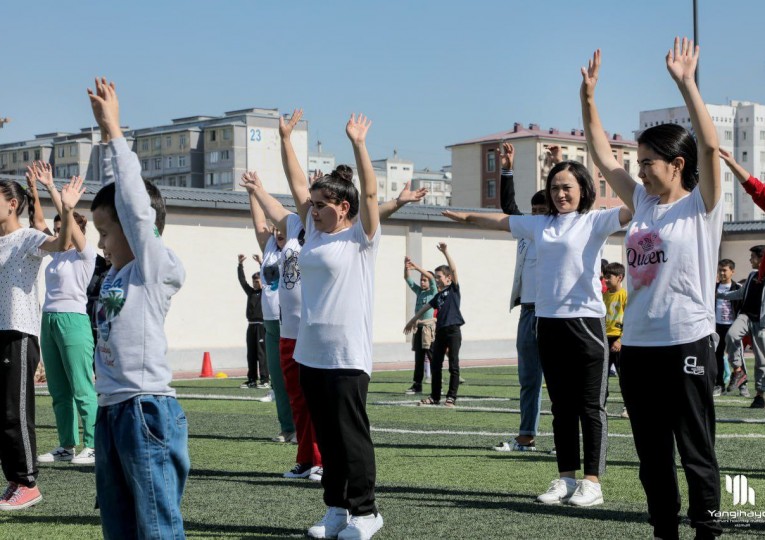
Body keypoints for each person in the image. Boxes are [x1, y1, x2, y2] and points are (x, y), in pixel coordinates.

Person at [580, 39, 723, 538]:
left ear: (676, 164)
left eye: (647, 162)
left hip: (686, 340)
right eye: (637, 163)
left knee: (696, 449)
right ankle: (665, 528)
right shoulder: (641, 203)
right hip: (638, 347)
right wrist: (589, 97)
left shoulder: (701, 206)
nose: (638, 170)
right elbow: (601, 155)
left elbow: (707, 146)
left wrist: (686, 83)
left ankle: (708, 529)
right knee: (651, 454)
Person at [444, 152, 630, 506]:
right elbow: (500, 221)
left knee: (590, 407)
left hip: (586, 324)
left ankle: (593, 482)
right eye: (555, 188)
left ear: (584, 190)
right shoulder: (539, 224)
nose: (561, 194)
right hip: (548, 324)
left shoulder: (595, 222)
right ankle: (566, 479)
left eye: (568, 188)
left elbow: (632, 208)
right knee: (561, 407)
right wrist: (464, 216)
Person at [86, 78, 189, 538]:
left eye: (107, 231)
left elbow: (133, 203)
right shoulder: (114, 276)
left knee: (156, 526)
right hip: (111, 411)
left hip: (145, 409)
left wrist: (114, 134)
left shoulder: (153, 268)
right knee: (119, 525)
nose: (102, 242)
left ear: (135, 227)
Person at [284, 112, 384, 539]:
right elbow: (295, 184)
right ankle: (336, 511)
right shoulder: (314, 232)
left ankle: (366, 513)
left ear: (344, 207)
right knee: (327, 437)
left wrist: (359, 145)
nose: (314, 208)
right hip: (311, 353)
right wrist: (286, 139)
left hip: (347, 355)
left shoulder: (360, 238)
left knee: (351, 438)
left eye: (322, 204)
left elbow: (373, 194)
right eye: (314, 204)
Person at [0, 176, 83, 511]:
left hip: (18, 332)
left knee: (13, 411)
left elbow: (62, 245)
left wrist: (66, 207)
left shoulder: (27, 238)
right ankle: (13, 480)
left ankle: (27, 482)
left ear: (11, 204)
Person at [26, 161, 98, 466]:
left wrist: (55, 191)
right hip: (50, 320)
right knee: (58, 389)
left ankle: (94, 444)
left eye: (65, 227)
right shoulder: (56, 256)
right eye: (57, 230)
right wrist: (34, 188)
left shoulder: (85, 254)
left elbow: (68, 222)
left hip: (74, 321)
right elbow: (38, 222)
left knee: (82, 386)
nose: (60, 232)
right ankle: (67, 445)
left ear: (77, 228)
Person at [494, 141, 552, 452]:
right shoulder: (526, 229)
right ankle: (526, 435)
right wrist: (507, 167)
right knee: (529, 379)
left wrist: (553, 163)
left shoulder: (556, 230)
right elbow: (507, 207)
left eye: (545, 212)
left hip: (553, 314)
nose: (538, 217)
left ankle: (566, 439)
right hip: (528, 313)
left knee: (559, 383)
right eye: (535, 211)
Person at [244, 186, 295, 442]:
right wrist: (252, 193)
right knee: (278, 380)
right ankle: (287, 428)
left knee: (296, 380)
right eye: (274, 228)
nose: (276, 231)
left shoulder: (298, 245)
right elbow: (258, 221)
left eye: (280, 226)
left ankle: (304, 429)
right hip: (271, 323)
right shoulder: (269, 248)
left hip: (292, 323)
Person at [405, 243, 465, 408]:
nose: (437, 279)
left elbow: (453, 269)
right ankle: (435, 397)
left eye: (439, 277)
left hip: (453, 331)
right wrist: (412, 320)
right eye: (436, 277)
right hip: (440, 332)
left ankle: (451, 397)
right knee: (436, 364)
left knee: (453, 364)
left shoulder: (453, 289)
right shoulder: (437, 296)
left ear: (448, 279)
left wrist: (446, 252)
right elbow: (425, 308)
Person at [718, 246, 765, 408]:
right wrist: (720, 295)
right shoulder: (752, 275)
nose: (750, 260)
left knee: (761, 361)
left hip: (761, 322)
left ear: (761, 259)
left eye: (753, 257)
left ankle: (760, 395)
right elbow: (740, 294)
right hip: (745, 316)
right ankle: (738, 370)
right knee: (731, 335)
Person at [403, 256, 437, 395]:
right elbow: (408, 280)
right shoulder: (420, 292)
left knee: (432, 356)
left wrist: (416, 267)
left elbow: (433, 279)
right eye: (421, 280)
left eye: (424, 280)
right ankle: (417, 384)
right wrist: (406, 267)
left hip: (428, 328)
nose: (422, 282)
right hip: (419, 328)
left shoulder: (433, 291)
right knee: (418, 358)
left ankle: (437, 382)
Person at [236, 254, 267, 389]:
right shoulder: (251, 293)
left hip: (261, 326)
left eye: (258, 281)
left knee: (262, 354)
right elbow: (242, 281)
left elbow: (267, 277)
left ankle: (265, 380)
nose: (256, 283)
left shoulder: (265, 293)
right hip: (251, 327)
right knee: (251, 354)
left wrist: (261, 263)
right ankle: (252, 380)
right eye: (254, 281)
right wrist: (240, 265)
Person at [602, 262, 628, 418]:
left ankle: (628, 407)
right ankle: (601, 406)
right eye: (604, 276)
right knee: (602, 376)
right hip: (604, 339)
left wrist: (620, 340)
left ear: (620, 278)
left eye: (608, 277)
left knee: (623, 377)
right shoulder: (603, 296)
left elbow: (630, 319)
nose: (605, 280)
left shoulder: (625, 295)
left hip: (619, 340)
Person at [714, 259, 742, 397]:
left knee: (736, 355)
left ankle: (743, 385)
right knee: (717, 355)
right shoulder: (713, 287)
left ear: (732, 271)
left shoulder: (738, 288)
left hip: (733, 325)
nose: (721, 273)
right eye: (720, 270)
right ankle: (719, 385)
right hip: (716, 326)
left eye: (724, 270)